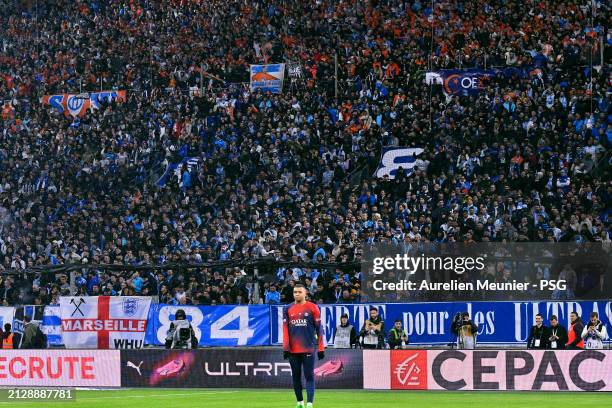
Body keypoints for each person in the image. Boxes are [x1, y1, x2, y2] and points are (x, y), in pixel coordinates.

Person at [283, 284, 325, 408]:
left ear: (305, 293)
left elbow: (319, 329)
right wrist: (286, 348)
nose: (297, 294)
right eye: (295, 292)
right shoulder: (287, 308)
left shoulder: (313, 307)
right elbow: (285, 329)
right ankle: (300, 403)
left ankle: (310, 404)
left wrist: (321, 348)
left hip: (308, 349)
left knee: (309, 376)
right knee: (296, 377)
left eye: (299, 292)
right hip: (293, 351)